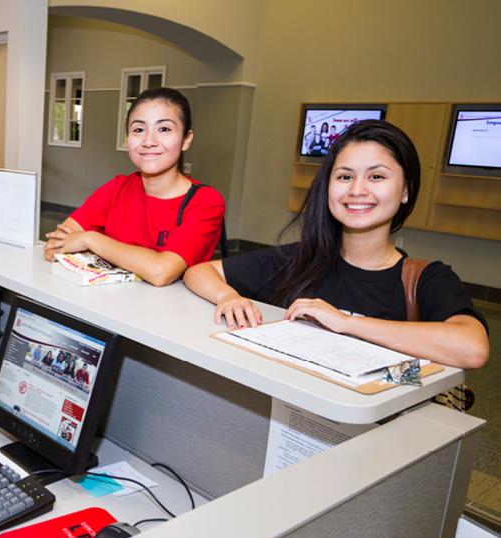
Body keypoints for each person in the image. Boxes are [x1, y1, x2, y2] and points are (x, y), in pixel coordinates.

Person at [183, 120, 489, 369]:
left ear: (406, 190)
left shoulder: (427, 279)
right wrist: (227, 297)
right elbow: (199, 272)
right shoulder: (299, 260)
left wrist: (347, 323)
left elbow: (472, 348)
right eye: (344, 176)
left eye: (376, 177)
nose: (357, 190)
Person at [43, 87, 225, 286]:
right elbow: (56, 245)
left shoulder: (205, 202)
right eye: (138, 130)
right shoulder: (118, 188)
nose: (149, 141)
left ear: (186, 139)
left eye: (164, 129)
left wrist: (89, 240)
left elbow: (161, 272)